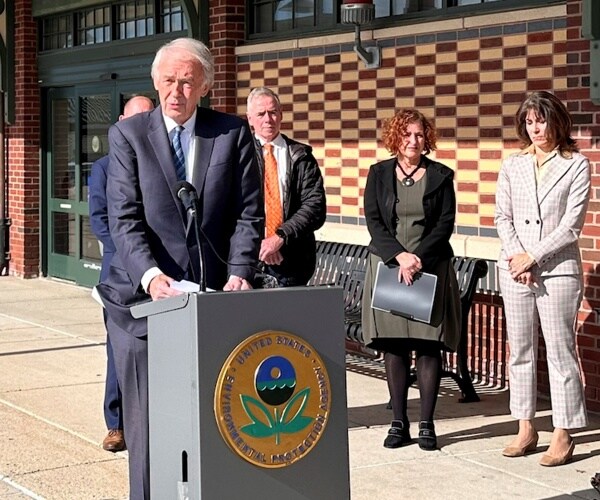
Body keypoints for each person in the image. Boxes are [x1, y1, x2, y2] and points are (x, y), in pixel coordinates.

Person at [96, 38, 263, 499]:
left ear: (204, 85)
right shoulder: (128, 135)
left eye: (187, 81)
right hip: (141, 301)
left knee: (213, 418)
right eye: (169, 80)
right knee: (150, 426)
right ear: (155, 81)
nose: (177, 91)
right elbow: (124, 219)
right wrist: (152, 276)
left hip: (211, 300)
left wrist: (241, 269)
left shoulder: (230, 133)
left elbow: (249, 213)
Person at [495, 90, 590, 467]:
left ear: (557, 121)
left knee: (559, 349)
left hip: (557, 271)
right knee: (519, 350)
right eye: (529, 122)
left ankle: (564, 432)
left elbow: (571, 226)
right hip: (514, 271)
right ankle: (525, 426)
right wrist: (518, 257)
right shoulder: (512, 164)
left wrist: (533, 256)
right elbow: (502, 217)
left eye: (542, 120)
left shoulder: (576, 164)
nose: (536, 128)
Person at [362, 108, 460, 451]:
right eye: (407, 135)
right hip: (390, 267)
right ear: (396, 138)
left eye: (419, 135)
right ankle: (398, 422)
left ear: (427, 138)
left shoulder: (441, 176)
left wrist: (418, 258)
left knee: (429, 346)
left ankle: (427, 424)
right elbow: (374, 221)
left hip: (429, 267)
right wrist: (399, 256)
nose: (413, 141)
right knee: (395, 345)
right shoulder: (378, 174)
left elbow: (445, 223)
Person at [89, 95, 154, 452]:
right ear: (120, 122)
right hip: (120, 274)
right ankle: (116, 425)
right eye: (135, 119)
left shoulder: (164, 160)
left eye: (148, 118)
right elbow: (101, 221)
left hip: (161, 274)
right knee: (120, 349)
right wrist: (134, 259)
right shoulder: (104, 166)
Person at [246, 87, 326, 286]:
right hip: (250, 262)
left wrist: (280, 237)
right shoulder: (238, 157)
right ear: (249, 118)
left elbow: (314, 206)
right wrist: (262, 244)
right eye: (261, 114)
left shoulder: (302, 156)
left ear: (281, 115)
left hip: (293, 261)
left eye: (273, 112)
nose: (268, 119)